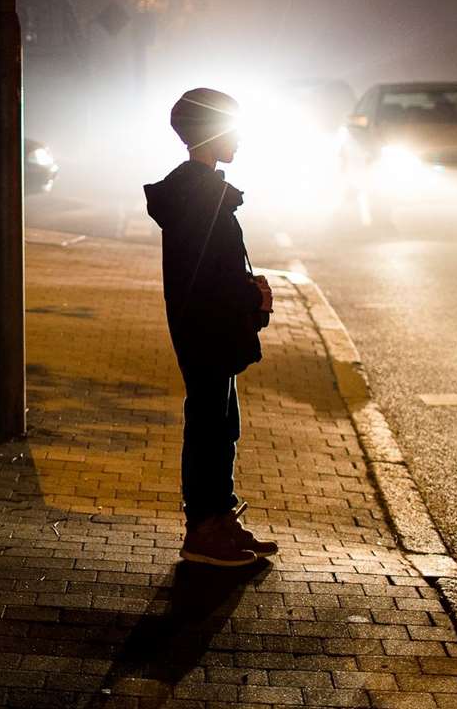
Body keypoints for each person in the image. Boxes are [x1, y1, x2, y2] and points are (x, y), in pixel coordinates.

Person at [143, 87, 277, 566]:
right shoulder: (198, 197)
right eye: (233, 127)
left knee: (221, 423)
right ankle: (203, 529)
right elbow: (207, 273)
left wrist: (244, 288)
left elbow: (213, 266)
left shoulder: (198, 190)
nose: (239, 139)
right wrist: (251, 293)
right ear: (212, 131)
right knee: (208, 424)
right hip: (205, 325)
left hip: (207, 324)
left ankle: (219, 517)